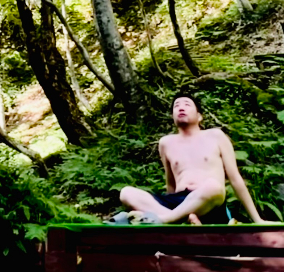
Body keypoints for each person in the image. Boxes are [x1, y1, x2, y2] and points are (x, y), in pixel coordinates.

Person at [116, 93, 270, 224]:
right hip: (178, 202)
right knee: (126, 192)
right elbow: (170, 184)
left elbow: (235, 179)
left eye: (187, 104)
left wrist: (258, 219)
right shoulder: (166, 143)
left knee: (213, 186)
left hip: (209, 202)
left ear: (199, 116)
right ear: (172, 116)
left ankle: (166, 220)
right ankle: (177, 218)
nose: (181, 108)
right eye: (176, 106)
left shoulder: (215, 136)